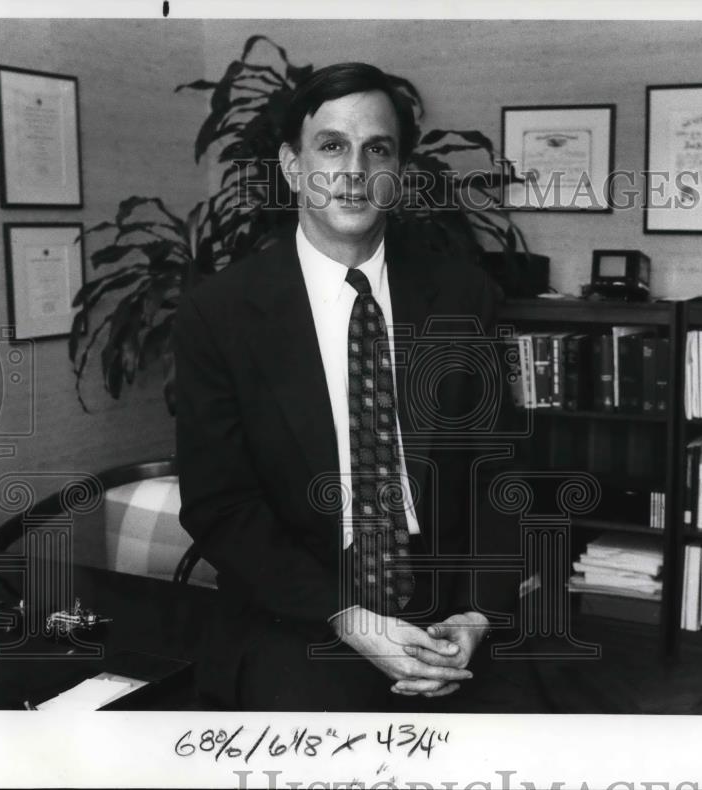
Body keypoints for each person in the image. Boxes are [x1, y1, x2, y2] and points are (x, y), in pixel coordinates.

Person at [174, 62, 532, 712]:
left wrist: (478, 616)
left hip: (447, 605)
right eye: (332, 145)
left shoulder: (462, 295)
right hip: (300, 605)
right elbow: (220, 506)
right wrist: (351, 618)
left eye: (378, 149)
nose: (354, 170)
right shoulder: (219, 314)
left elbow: (496, 474)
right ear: (291, 165)